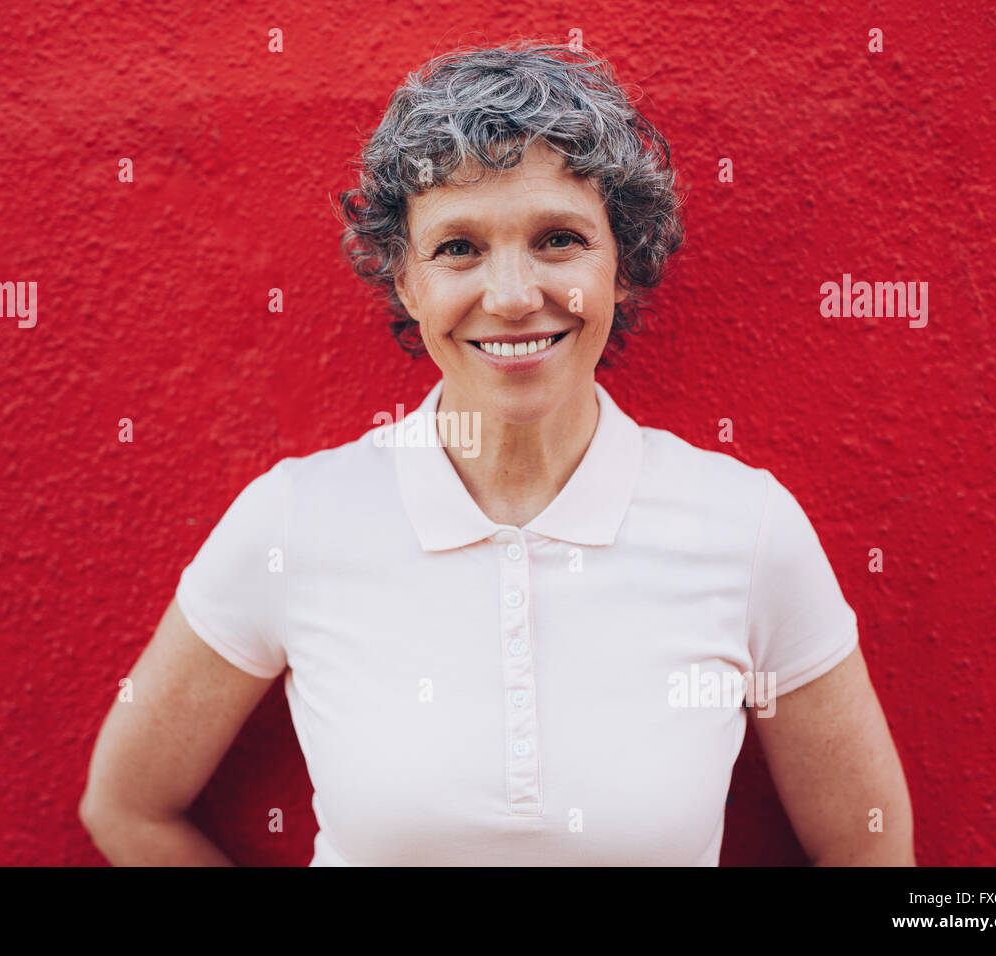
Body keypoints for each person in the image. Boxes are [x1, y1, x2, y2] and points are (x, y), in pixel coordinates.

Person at [78, 40, 915, 866]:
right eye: (458, 248)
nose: (514, 297)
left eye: (559, 239)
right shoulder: (293, 521)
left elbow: (871, 855)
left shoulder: (746, 529)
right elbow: (128, 807)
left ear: (622, 263)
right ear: (405, 282)